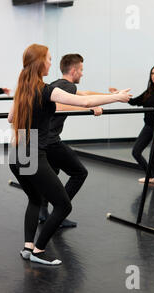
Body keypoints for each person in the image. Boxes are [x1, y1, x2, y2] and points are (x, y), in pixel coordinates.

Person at [9, 44, 131, 265]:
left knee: (35, 198)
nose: (50, 63)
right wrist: (116, 98)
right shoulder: (47, 90)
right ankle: (38, 251)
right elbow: (84, 101)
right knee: (64, 205)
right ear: (39, 63)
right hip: (34, 155)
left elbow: (10, 118)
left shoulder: (23, 90)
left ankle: (28, 247)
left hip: (16, 156)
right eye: (48, 59)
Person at [38, 54, 108, 227]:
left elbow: (86, 94)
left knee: (53, 172)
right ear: (74, 70)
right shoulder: (68, 86)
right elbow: (61, 106)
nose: (82, 74)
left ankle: (42, 210)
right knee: (79, 173)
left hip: (41, 140)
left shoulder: (57, 84)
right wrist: (90, 107)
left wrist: (113, 96)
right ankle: (58, 213)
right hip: (50, 141)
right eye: (81, 70)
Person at [111, 64, 154, 186]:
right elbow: (134, 102)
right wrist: (118, 95)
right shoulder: (148, 92)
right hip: (148, 127)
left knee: (153, 155)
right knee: (136, 152)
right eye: (152, 73)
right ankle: (149, 176)